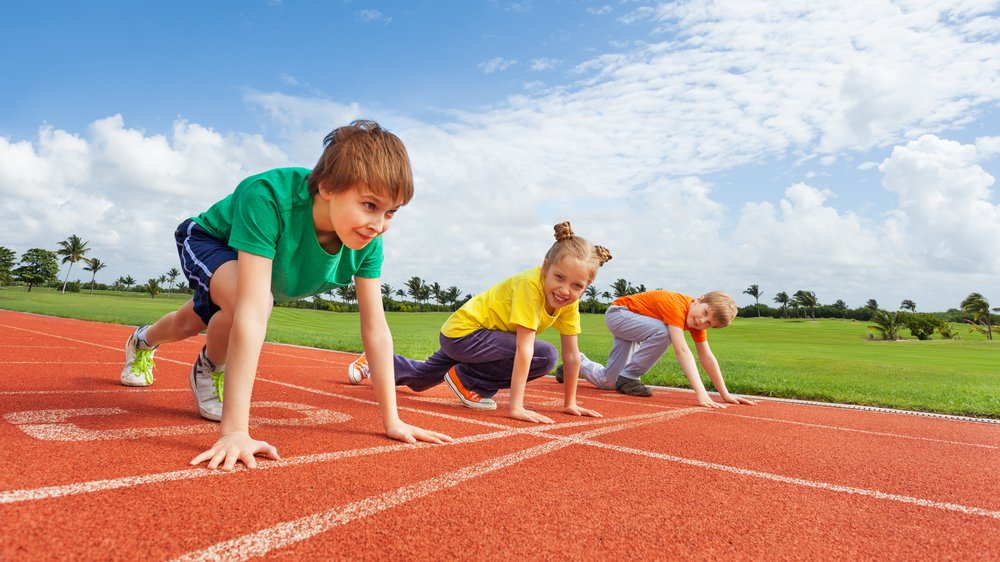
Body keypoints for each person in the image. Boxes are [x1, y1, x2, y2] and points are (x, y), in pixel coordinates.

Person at [119, 119, 453, 470]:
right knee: (251, 304)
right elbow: (250, 310)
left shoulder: (368, 241)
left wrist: (393, 421)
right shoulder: (266, 197)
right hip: (210, 240)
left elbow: (376, 329)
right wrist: (235, 432)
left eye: (391, 212)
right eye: (369, 205)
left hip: (254, 277)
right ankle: (209, 369)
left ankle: (143, 340)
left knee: (189, 321)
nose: (379, 224)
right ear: (326, 187)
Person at [348, 222, 612, 424]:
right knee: (545, 356)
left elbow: (573, 355)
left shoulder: (569, 302)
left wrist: (571, 403)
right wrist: (516, 407)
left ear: (586, 286)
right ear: (545, 268)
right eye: (559, 277)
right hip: (465, 334)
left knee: (420, 380)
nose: (565, 290)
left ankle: (374, 361)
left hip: (485, 342)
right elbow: (524, 349)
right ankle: (468, 381)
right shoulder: (530, 285)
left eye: (577, 285)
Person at [560, 290, 757, 408]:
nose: (701, 321)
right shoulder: (676, 305)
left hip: (638, 325)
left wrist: (725, 394)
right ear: (698, 300)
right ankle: (629, 376)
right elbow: (682, 350)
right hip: (620, 314)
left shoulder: (695, 322)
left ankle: (574, 364)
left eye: (709, 324)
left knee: (608, 382)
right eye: (705, 313)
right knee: (664, 333)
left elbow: (707, 357)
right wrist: (701, 392)